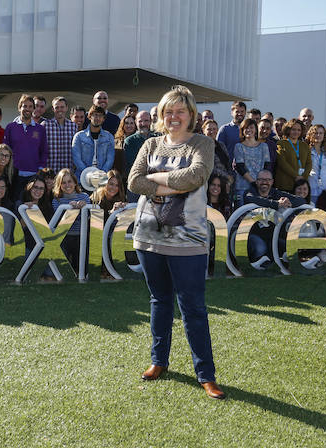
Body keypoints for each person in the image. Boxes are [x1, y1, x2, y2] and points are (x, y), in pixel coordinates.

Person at [127, 85, 223, 399]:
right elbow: (132, 181)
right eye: (169, 111)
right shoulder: (150, 143)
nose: (174, 116)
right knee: (159, 301)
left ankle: (205, 374)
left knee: (193, 308)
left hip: (189, 241)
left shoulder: (203, 143)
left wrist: (152, 181)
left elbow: (194, 178)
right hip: (148, 238)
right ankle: (159, 361)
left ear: (191, 115)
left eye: (181, 111)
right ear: (161, 115)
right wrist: (168, 184)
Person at [243, 170, 307, 268]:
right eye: (262, 179)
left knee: (287, 246)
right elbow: (250, 200)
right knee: (260, 248)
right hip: (253, 234)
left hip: (272, 235)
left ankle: (269, 260)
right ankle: (259, 261)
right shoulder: (249, 192)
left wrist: (288, 202)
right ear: (256, 181)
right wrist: (276, 204)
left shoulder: (276, 193)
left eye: (268, 180)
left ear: (272, 182)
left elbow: (300, 200)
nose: (265, 182)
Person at [4, 95, 48, 191]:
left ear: (33, 109)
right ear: (19, 108)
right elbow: (6, 150)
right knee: (16, 203)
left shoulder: (40, 129)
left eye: (30, 106)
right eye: (25, 106)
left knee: (32, 205)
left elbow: (44, 150)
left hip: (33, 175)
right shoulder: (10, 127)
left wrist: (40, 169)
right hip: (15, 174)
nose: (27, 109)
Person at [123, 111, 160, 202]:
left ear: (151, 121)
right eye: (140, 121)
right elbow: (134, 164)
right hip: (136, 185)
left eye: (146, 120)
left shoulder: (158, 138)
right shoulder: (130, 141)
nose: (143, 124)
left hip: (155, 185)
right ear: (136, 122)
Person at [232, 118, 270, 205]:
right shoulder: (239, 146)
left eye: (251, 127)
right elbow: (240, 167)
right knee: (242, 214)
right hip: (242, 187)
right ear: (242, 130)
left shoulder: (264, 146)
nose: (249, 130)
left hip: (260, 187)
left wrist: (260, 182)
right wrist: (253, 182)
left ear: (256, 130)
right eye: (246, 128)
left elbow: (267, 166)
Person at [71, 105, 115, 180]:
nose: (97, 118)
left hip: (101, 178)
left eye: (100, 116)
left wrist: (100, 174)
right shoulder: (79, 136)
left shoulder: (109, 137)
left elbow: (110, 160)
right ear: (89, 116)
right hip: (82, 177)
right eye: (95, 115)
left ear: (103, 119)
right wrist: (88, 173)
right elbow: (76, 159)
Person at [42, 97, 78, 175]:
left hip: (67, 171)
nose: (59, 110)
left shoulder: (73, 126)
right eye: (57, 107)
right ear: (53, 109)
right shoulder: (45, 125)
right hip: (50, 171)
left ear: (66, 108)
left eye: (62, 107)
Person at [274, 118, 311, 192]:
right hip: (284, 184)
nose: (296, 132)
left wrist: (303, 177)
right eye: (293, 129)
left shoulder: (304, 145)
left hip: (300, 185)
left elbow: (309, 163)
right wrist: (296, 176)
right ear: (288, 130)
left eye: (299, 130)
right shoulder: (281, 143)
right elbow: (282, 163)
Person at [306, 124, 326, 205]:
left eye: (321, 133)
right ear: (311, 135)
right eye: (315, 133)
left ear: (324, 135)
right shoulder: (306, 149)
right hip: (311, 186)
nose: (318, 135)